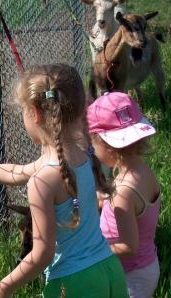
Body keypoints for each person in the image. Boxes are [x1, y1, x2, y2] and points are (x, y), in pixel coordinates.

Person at [0, 63, 128, 298]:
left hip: (73, 285)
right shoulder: (84, 154)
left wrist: (4, 286)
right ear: (81, 108)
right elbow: (16, 172)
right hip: (110, 269)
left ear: (35, 113)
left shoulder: (43, 180)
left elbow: (43, 253)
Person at [87, 92, 161, 298]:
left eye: (93, 145)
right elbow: (139, 212)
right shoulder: (142, 173)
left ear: (104, 144)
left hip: (132, 277)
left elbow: (129, 247)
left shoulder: (123, 192)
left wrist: (95, 248)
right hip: (146, 266)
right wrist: (106, 199)